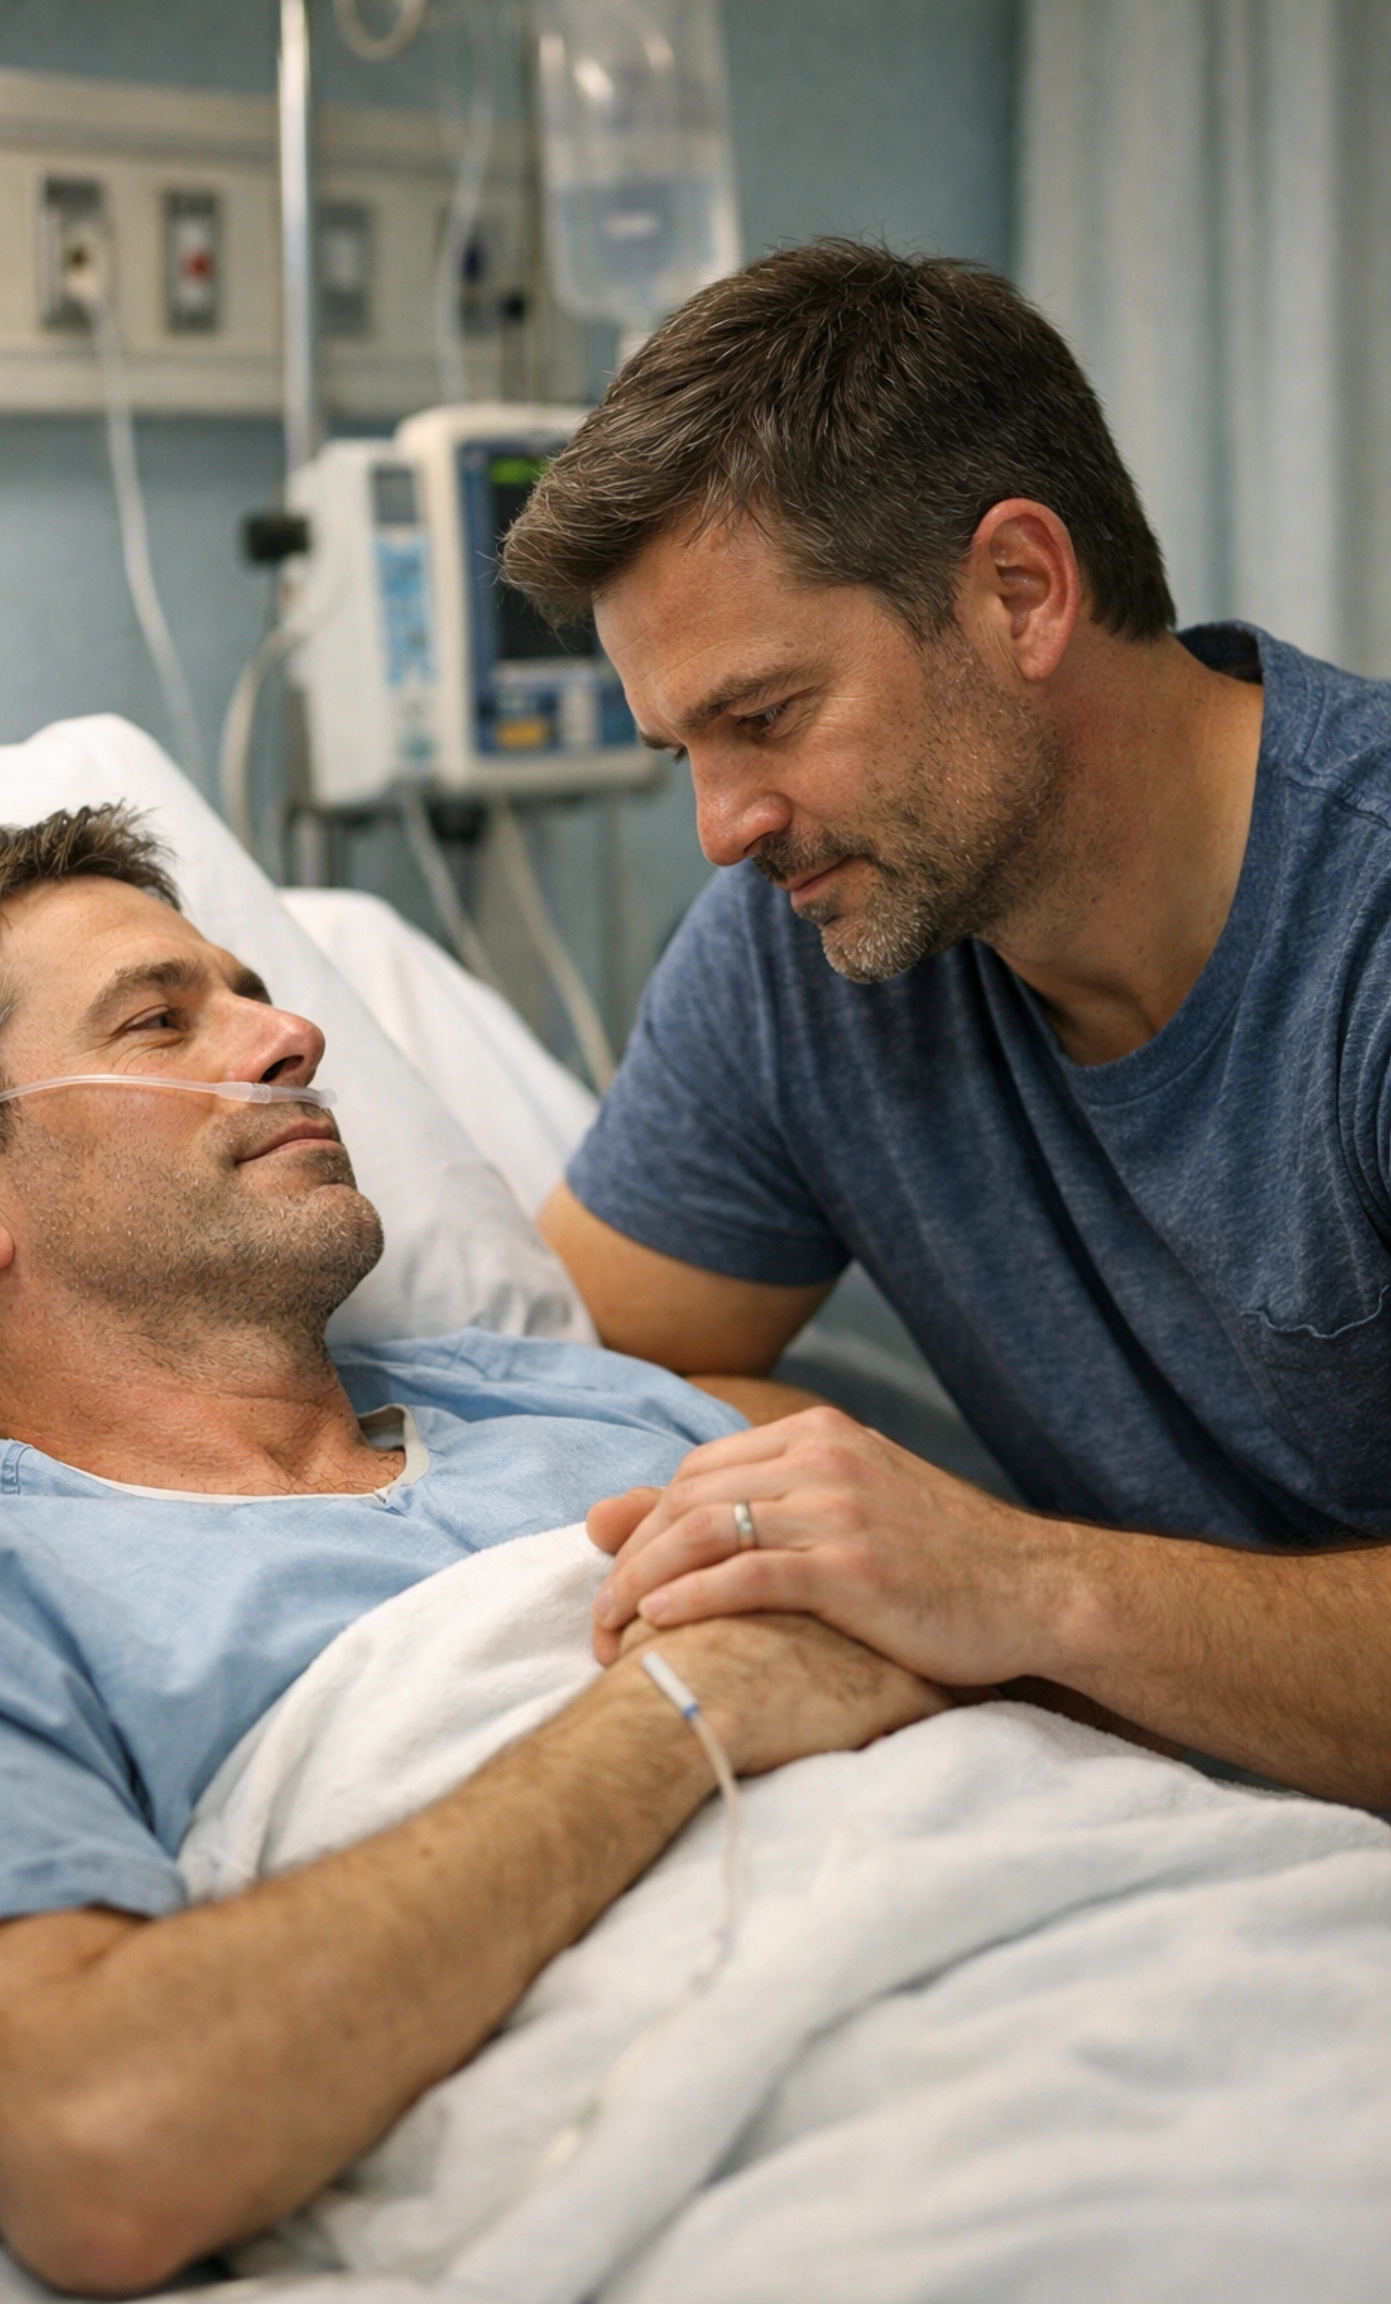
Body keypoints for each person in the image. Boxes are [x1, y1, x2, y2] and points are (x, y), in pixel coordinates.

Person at [0, 806, 944, 2295]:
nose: (292, 1033)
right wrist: (695, 1706)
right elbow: (97, 2141)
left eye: (256, 990)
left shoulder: (596, 1398)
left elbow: (1012, 1641)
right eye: (162, 1020)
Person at [499, 239, 1391, 1812]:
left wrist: (1020, 1584)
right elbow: (597, 1364)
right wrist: (851, 1516)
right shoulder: (805, 954)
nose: (721, 826)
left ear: (1019, 592)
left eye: (765, 718)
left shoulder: (1362, 941)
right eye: (678, 752)